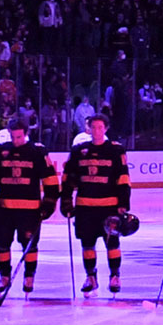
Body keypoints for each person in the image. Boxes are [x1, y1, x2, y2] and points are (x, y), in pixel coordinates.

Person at [0, 118, 57, 298]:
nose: (16, 140)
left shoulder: (37, 152)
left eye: (19, 136)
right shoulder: (0, 151)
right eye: (13, 136)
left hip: (30, 209)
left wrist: (50, 201)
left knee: (29, 245)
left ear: (25, 134)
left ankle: (29, 276)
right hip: (4, 208)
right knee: (1, 244)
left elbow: (50, 178)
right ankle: (4, 276)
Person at [64, 115, 132, 295]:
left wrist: (123, 202)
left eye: (100, 127)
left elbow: (123, 178)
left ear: (106, 129)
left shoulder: (116, 150)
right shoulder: (79, 150)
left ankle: (115, 276)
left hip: (109, 206)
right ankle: (90, 277)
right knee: (87, 244)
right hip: (85, 206)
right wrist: (66, 200)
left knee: (112, 244)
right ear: (89, 129)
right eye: (93, 127)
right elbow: (69, 177)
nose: (96, 131)